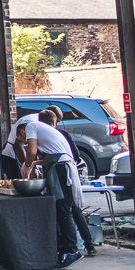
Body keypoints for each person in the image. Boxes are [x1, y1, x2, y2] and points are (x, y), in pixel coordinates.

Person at [21, 107, 85, 268]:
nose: (24, 140)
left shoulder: (31, 126)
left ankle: (71, 250)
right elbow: (54, 153)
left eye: (23, 138)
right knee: (63, 208)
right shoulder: (48, 130)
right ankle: (65, 249)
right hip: (62, 166)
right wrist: (35, 163)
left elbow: (32, 150)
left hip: (60, 169)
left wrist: (27, 164)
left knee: (64, 209)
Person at [49, 108, 99, 257]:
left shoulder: (54, 136)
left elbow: (75, 155)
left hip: (61, 176)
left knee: (66, 211)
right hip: (69, 174)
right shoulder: (63, 135)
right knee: (75, 210)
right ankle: (88, 244)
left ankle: (68, 246)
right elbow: (76, 156)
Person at [0, 109, 40, 180]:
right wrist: (28, 166)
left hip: (21, 153)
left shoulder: (38, 121)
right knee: (19, 183)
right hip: (12, 155)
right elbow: (18, 144)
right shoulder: (30, 123)